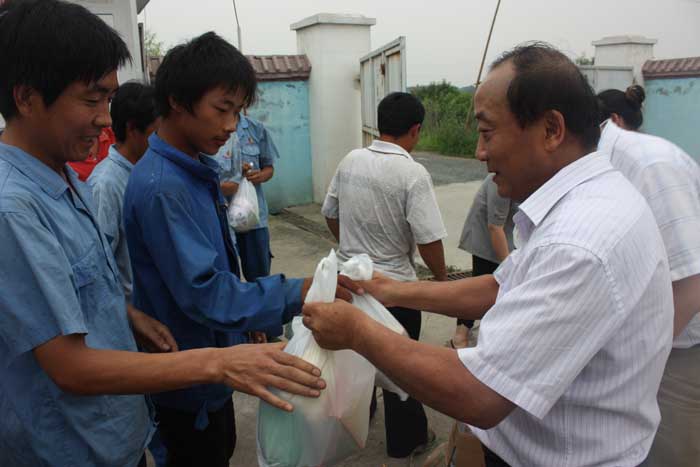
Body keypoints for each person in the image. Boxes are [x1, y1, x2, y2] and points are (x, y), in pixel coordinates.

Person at [302, 43, 674, 467]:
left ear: (551, 129)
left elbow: (480, 393)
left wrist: (358, 332)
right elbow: (503, 286)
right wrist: (391, 290)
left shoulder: (578, 242)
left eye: (487, 132)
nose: (479, 151)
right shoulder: (591, 200)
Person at [0, 2, 327, 466]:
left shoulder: (65, 179)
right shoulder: (14, 209)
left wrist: (128, 315)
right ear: (27, 98)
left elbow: (76, 293)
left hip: (118, 431)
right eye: (92, 100)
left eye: (108, 100)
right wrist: (219, 361)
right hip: (72, 447)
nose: (105, 119)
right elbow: (70, 367)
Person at [123, 31, 354, 467]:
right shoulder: (164, 187)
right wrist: (295, 292)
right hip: (187, 382)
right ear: (177, 101)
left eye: (237, 111)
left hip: (210, 368)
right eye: (222, 109)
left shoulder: (191, 171)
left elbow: (215, 271)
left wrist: (244, 326)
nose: (231, 126)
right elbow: (205, 292)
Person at [321, 91, 447, 459]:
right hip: (395, 292)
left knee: (354, 358)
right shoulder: (412, 173)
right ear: (415, 129)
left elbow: (330, 211)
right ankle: (408, 441)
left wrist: (350, 248)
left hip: (347, 284)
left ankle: (358, 421)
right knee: (401, 370)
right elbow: (429, 239)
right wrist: (441, 280)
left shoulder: (351, 159)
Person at [598, 102, 700, 467]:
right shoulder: (605, 164)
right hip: (654, 346)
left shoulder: (648, 165)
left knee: (668, 453)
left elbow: (691, 282)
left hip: (681, 350)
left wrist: (636, 364)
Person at [452, 173, 517, 348]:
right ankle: (460, 336)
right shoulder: (500, 179)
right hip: (487, 237)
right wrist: (510, 268)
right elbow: (495, 226)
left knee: (495, 287)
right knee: (480, 287)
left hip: (507, 236)